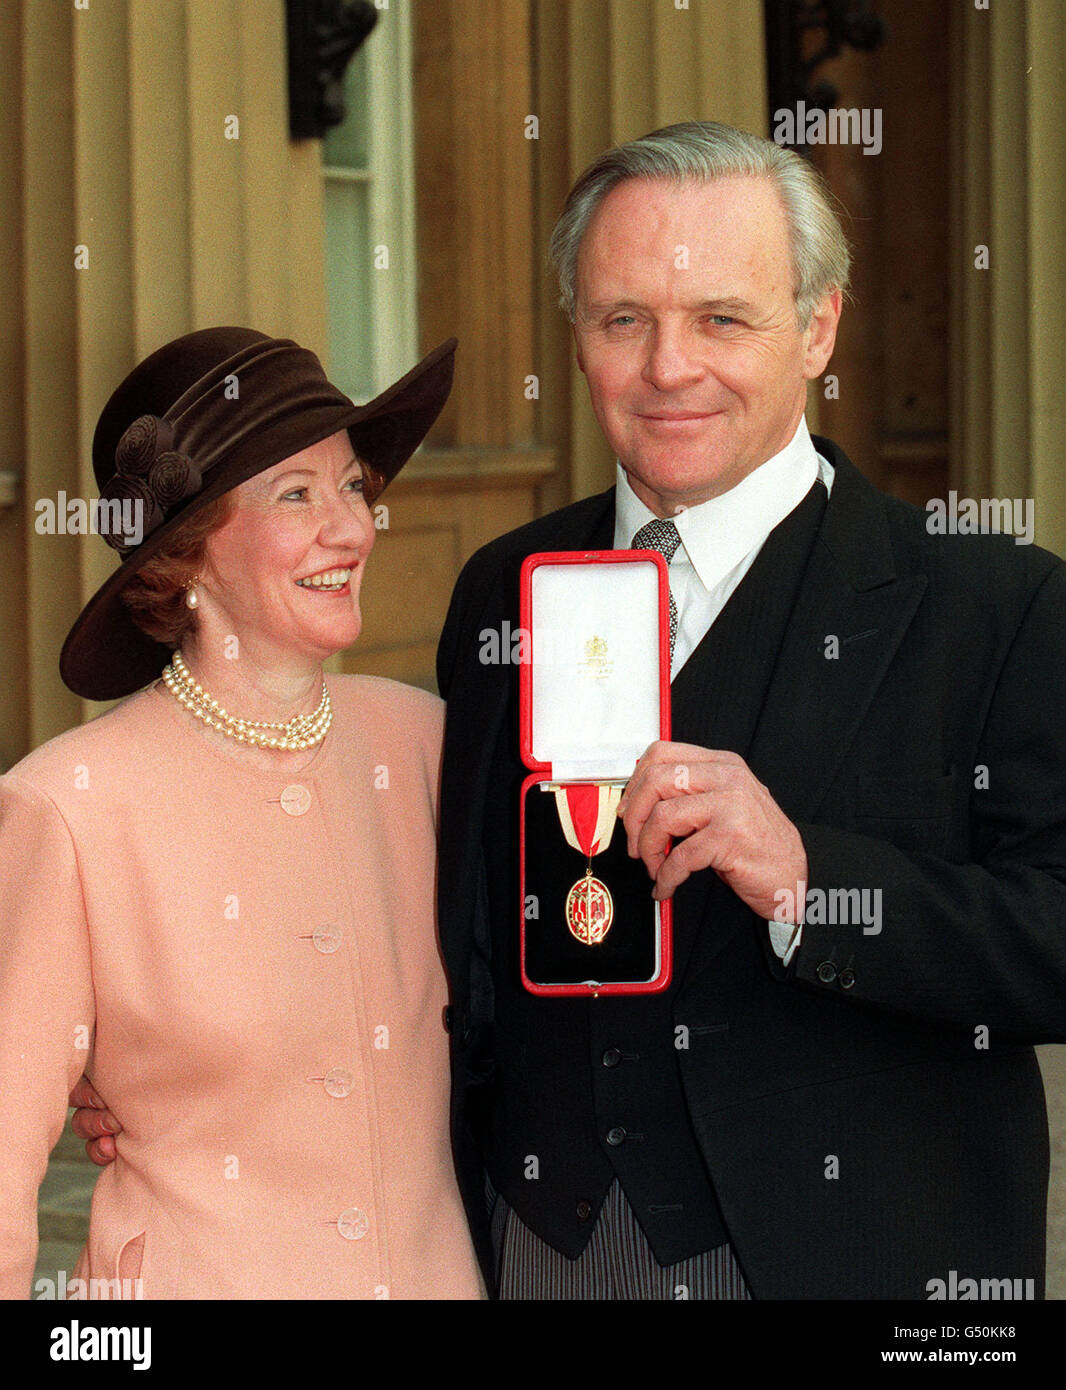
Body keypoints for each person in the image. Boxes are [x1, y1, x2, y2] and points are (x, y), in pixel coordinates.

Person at [433, 122, 1066, 1298]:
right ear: (578, 337)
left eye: (722, 318)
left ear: (818, 327)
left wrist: (811, 881)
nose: (669, 366)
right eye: (624, 319)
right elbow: (457, 941)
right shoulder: (498, 590)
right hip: (550, 1251)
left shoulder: (998, 604)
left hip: (862, 1259)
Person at [0, 327, 482, 1299]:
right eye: (296, 493)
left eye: (352, 487)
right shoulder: (70, 808)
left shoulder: (434, 746)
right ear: (187, 554)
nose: (349, 528)